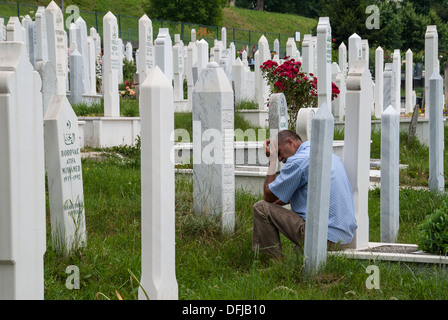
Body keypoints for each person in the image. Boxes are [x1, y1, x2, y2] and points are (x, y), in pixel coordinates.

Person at [252, 130, 357, 260]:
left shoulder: (298, 161)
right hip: (345, 238)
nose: (280, 158)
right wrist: (273, 206)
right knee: (268, 208)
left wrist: (272, 161)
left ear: (290, 142)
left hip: (325, 239)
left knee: (261, 208)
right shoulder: (325, 154)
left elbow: (268, 196)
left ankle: (273, 264)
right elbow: (288, 196)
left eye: (279, 152)